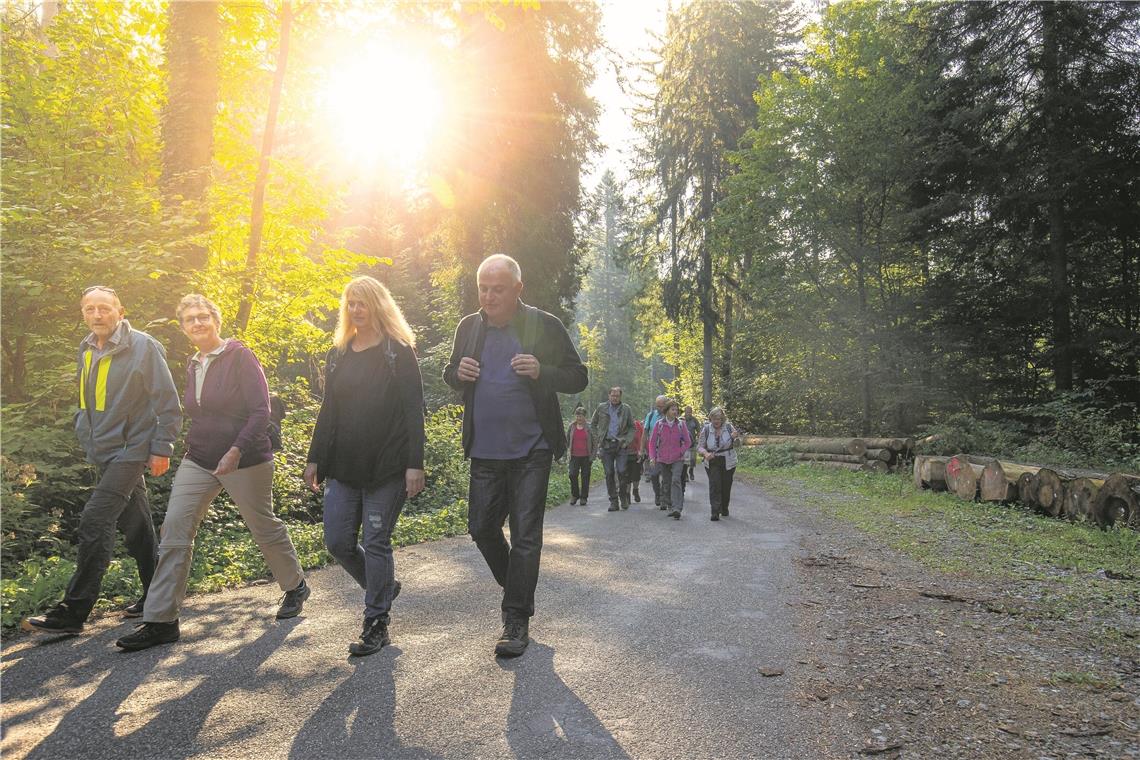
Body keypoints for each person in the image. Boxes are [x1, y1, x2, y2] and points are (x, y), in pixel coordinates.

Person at [116, 295, 310, 651]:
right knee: (174, 528)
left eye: (203, 316)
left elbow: (260, 411)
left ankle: (295, 585)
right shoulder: (194, 363)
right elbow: (200, 414)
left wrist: (236, 450)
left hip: (246, 458)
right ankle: (161, 621)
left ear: (216, 320)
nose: (197, 323)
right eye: (190, 319)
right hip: (200, 459)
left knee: (263, 526)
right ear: (184, 327)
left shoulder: (239, 356)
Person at [443, 254, 587, 658]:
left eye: (498, 289)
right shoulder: (469, 327)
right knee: (481, 528)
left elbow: (578, 376)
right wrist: (458, 373)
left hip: (531, 449)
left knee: (526, 535)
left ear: (517, 290)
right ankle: (519, 591)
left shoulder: (544, 325)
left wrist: (542, 370)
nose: (488, 297)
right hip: (485, 451)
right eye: (483, 289)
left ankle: (515, 620)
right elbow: (450, 371)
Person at [22, 286, 181, 635]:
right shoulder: (87, 347)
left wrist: (162, 448)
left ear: (120, 312)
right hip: (104, 451)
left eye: (105, 309)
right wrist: (84, 430)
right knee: (137, 524)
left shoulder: (143, 346)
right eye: (90, 309)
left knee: (95, 519)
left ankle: (73, 611)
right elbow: (88, 400)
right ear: (83, 313)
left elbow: (167, 403)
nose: (97, 315)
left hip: (131, 449)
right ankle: (158, 592)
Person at [303, 276, 426, 656]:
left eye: (363, 303)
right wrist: (314, 457)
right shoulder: (339, 353)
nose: (356, 310)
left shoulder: (398, 351)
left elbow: (412, 411)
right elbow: (330, 409)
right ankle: (383, 586)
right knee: (337, 542)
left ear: (378, 305)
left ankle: (376, 622)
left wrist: (414, 465)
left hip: (387, 467)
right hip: (344, 465)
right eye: (351, 303)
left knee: (375, 541)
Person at [590, 386, 636, 512]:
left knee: (621, 471)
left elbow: (632, 427)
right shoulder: (601, 407)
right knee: (609, 473)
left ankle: (623, 495)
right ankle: (613, 501)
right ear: (609, 396)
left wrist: (627, 441)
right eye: (613, 395)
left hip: (621, 445)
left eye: (617, 396)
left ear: (620, 397)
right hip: (606, 445)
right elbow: (593, 424)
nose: (615, 398)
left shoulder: (626, 409)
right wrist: (598, 438)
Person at [647, 399, 691, 520]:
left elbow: (688, 442)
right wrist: (652, 457)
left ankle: (677, 508)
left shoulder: (681, 424)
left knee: (676, 480)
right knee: (666, 483)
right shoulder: (659, 424)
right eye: (673, 409)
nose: (675, 411)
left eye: (676, 409)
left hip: (678, 458)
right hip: (663, 459)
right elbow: (652, 443)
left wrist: (680, 452)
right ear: (666, 411)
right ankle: (672, 506)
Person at [697, 407, 742, 521]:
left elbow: (737, 444)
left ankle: (724, 507)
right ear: (710, 418)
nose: (716, 421)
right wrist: (706, 453)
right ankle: (715, 511)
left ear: (722, 419)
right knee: (715, 485)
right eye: (714, 418)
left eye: (719, 419)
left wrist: (735, 438)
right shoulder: (706, 429)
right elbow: (700, 447)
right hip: (712, 461)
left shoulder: (728, 427)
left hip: (728, 460)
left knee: (726, 486)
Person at [641, 395, 668, 507]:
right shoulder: (651, 415)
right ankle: (657, 493)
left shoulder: (670, 415)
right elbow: (645, 432)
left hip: (667, 450)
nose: (660, 409)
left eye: (662, 406)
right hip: (654, 450)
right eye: (658, 406)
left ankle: (663, 497)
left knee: (666, 475)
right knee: (654, 474)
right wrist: (641, 449)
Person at [566, 407, 594, 505]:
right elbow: (567, 440)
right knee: (572, 474)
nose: (579, 418)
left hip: (586, 456)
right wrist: (567, 453)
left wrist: (593, 456)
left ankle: (584, 497)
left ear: (584, 416)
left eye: (581, 416)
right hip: (574, 456)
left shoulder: (589, 427)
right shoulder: (572, 426)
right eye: (577, 416)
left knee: (585, 477)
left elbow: (595, 442)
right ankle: (575, 495)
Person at [625, 417, 645, 504]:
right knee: (627, 476)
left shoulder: (637, 425)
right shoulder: (621, 426)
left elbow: (642, 438)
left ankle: (635, 490)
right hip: (624, 455)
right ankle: (627, 494)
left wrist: (641, 451)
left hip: (636, 454)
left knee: (636, 475)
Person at [683, 406, 701, 482]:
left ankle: (691, 471)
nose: (689, 413)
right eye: (687, 412)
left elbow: (699, 431)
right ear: (685, 412)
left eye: (690, 412)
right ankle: (686, 475)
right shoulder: (682, 420)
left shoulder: (695, 420)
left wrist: (699, 438)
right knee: (686, 460)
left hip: (693, 443)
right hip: (684, 444)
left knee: (693, 460)